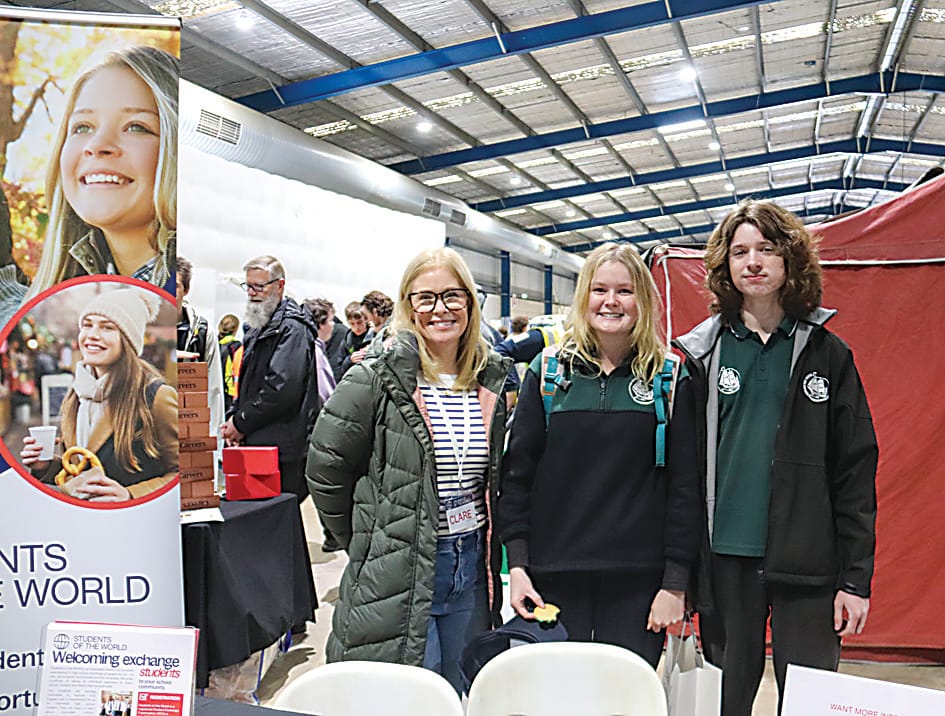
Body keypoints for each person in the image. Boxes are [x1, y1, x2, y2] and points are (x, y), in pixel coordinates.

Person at [673, 200, 878, 716]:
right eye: (740, 251)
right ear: (725, 266)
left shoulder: (829, 355)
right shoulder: (701, 355)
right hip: (725, 565)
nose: (754, 262)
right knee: (725, 704)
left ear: (791, 259)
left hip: (810, 567)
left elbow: (855, 472)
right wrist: (680, 578)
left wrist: (855, 580)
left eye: (767, 249)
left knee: (808, 704)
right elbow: (682, 475)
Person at [306, 247, 510, 694]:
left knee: (464, 691)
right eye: (426, 298)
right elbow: (325, 469)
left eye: (453, 296)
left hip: (471, 566)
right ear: (408, 305)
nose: (440, 309)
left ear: (470, 304)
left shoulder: (492, 378)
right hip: (401, 564)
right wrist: (364, 539)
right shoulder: (375, 378)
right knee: (408, 695)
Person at [496, 242, 701, 668]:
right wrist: (517, 566)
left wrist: (675, 584)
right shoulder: (549, 373)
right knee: (556, 699)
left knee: (622, 702)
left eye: (625, 291)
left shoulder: (668, 377)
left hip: (638, 586)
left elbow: (685, 488)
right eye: (600, 289)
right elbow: (517, 477)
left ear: (642, 300)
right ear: (583, 297)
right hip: (552, 579)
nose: (611, 302)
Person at [27, 46, 178, 300]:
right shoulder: (49, 310)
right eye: (83, 127)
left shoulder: (182, 298)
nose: (96, 145)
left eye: (136, 127)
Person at [20, 286, 178, 500]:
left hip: (133, 523)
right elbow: (79, 471)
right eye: (87, 325)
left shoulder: (157, 396)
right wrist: (45, 466)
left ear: (128, 339)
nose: (92, 335)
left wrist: (131, 495)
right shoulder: (76, 395)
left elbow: (184, 473)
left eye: (107, 328)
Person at [221, 255, 320, 503]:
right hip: (259, 438)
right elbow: (247, 382)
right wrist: (234, 419)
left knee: (278, 519)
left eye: (259, 286)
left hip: (282, 448)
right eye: (248, 287)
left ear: (279, 285)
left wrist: (241, 423)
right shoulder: (259, 326)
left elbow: (281, 389)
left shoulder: (292, 328)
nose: (252, 293)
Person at [301, 296, 341, 553]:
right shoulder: (313, 350)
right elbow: (326, 394)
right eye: (331, 320)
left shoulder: (309, 347)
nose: (334, 326)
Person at [176, 256, 224, 437]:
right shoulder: (143, 331)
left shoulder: (202, 332)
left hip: (190, 429)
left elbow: (214, 389)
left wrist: (211, 443)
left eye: (175, 286)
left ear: (186, 290)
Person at [338, 301, 371, 376]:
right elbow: (339, 368)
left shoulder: (374, 336)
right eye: (352, 323)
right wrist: (350, 360)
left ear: (366, 319)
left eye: (359, 322)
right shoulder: (347, 341)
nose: (356, 327)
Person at [217, 313, 242, 412]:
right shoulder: (236, 346)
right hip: (230, 392)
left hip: (216, 389)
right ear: (235, 329)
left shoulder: (215, 343)